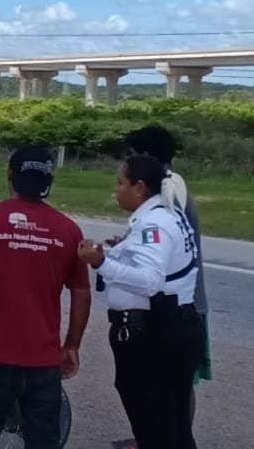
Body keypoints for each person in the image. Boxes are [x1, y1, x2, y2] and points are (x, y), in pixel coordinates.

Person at [0, 146, 92, 449]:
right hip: (43, 363)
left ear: (10, 174)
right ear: (49, 181)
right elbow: (81, 294)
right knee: (43, 442)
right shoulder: (69, 231)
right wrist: (72, 345)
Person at [79, 154, 204, 449]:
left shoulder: (154, 225)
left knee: (155, 429)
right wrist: (116, 252)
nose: (116, 190)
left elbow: (149, 280)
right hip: (174, 327)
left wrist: (100, 264)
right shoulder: (165, 216)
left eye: (121, 183)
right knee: (173, 429)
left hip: (154, 334)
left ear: (140, 187)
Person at [124, 125, 211, 428]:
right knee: (171, 383)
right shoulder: (169, 187)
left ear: (146, 157)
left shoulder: (169, 192)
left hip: (176, 306)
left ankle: (175, 437)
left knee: (175, 385)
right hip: (180, 304)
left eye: (132, 157)